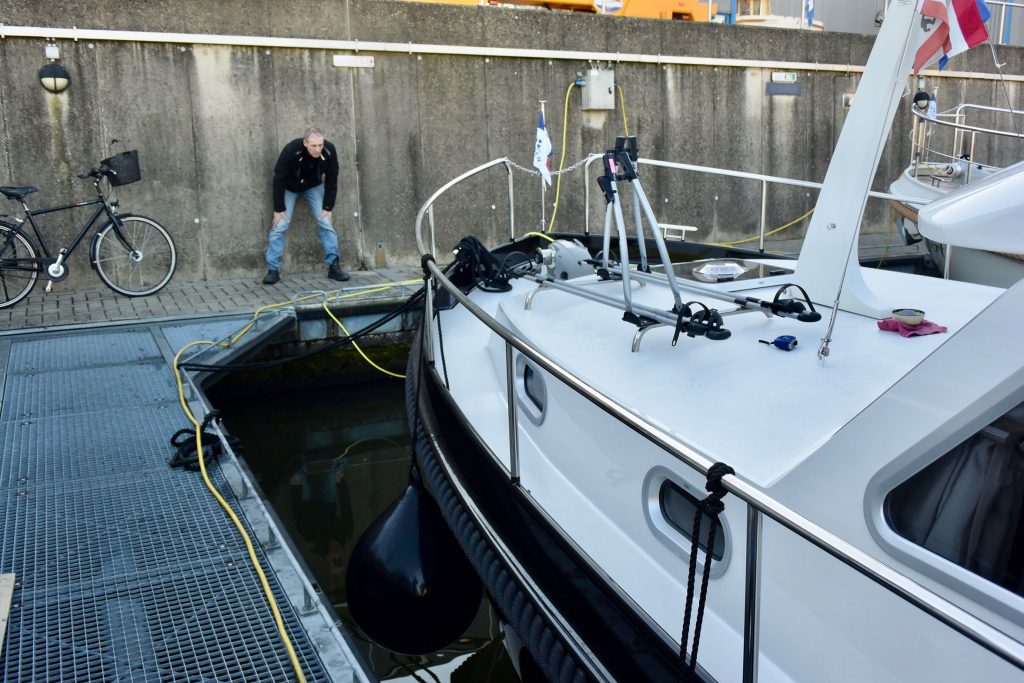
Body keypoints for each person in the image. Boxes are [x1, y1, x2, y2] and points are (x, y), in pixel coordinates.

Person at [262, 127, 349, 284]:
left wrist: (328, 207)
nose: (317, 149)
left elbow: (332, 178)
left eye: (320, 145)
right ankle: (272, 270)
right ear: (305, 143)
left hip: (313, 186)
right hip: (289, 187)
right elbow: (278, 178)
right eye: (313, 146)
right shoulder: (291, 150)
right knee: (280, 225)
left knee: (325, 222)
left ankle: (334, 267)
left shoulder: (329, 150)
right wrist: (279, 208)